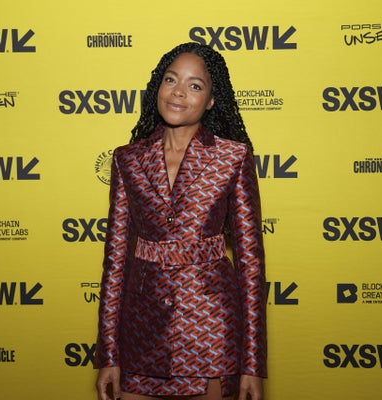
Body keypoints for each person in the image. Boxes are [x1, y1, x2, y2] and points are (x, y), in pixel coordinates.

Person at [95, 42, 267, 400]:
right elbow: (115, 261)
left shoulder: (233, 158)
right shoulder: (127, 159)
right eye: (171, 80)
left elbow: (250, 263)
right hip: (141, 330)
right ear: (157, 87)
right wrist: (109, 353)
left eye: (195, 85)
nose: (178, 92)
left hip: (211, 330)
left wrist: (252, 362)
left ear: (211, 100)